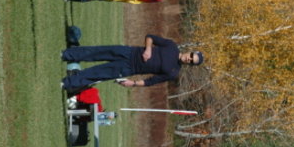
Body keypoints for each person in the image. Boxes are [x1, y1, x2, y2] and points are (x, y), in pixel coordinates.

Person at [61, 34, 203, 91]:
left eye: (191, 61)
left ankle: (67, 83)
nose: (189, 59)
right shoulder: (171, 46)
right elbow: (150, 37)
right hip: (129, 52)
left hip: (129, 68)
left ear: (190, 65)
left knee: (98, 73)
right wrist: (148, 49)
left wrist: (133, 83)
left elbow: (151, 81)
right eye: (191, 56)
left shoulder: (173, 72)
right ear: (190, 52)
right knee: (97, 52)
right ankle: (66, 54)